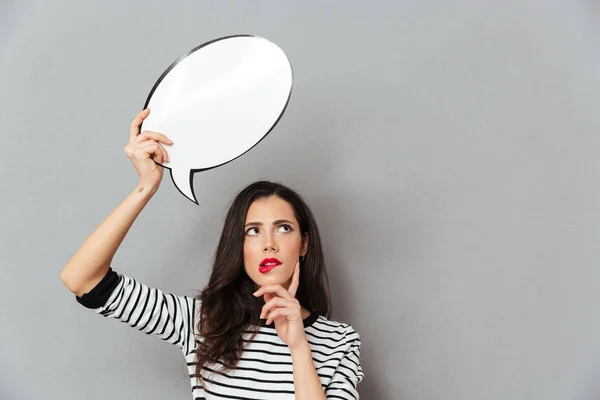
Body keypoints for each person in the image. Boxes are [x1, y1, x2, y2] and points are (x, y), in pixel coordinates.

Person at [60, 109, 364, 399]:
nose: (269, 244)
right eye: (253, 231)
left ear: (304, 244)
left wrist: (298, 345)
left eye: (283, 228)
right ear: (238, 246)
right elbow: (82, 279)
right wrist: (146, 185)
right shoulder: (200, 321)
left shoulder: (339, 341)